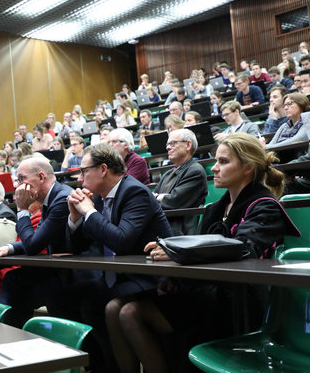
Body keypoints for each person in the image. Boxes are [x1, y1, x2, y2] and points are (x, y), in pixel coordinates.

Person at [106, 133, 300, 373]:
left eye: (223, 162)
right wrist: (174, 279)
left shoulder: (265, 205)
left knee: (130, 312)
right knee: (114, 308)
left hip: (237, 301)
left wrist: (177, 252)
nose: (214, 168)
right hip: (205, 292)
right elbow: (198, 249)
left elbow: (244, 249)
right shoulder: (215, 209)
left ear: (248, 167)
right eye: (216, 161)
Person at [52, 144, 172, 372]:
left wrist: (89, 212)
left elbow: (121, 241)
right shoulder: (98, 199)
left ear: (103, 169)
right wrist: (75, 217)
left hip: (148, 278)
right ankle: (101, 364)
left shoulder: (134, 192)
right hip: (118, 277)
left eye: (84, 171)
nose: (79, 178)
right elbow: (77, 247)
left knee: (96, 305)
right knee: (61, 297)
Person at [0, 158, 73, 328]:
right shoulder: (51, 198)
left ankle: (6, 335)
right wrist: (8, 248)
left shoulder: (61, 199)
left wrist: (22, 209)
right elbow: (38, 238)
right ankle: (10, 336)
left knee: (16, 284)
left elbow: (33, 245)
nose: (18, 186)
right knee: (14, 281)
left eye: (22, 178)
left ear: (41, 177)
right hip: (58, 269)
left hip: (73, 273)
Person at [153, 129, 207, 235]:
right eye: (168, 144)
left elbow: (174, 201)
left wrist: (158, 197)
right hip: (162, 227)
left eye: (172, 143)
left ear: (188, 145)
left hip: (180, 232)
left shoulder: (195, 171)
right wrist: (158, 197)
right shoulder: (167, 174)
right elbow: (151, 201)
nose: (168, 147)